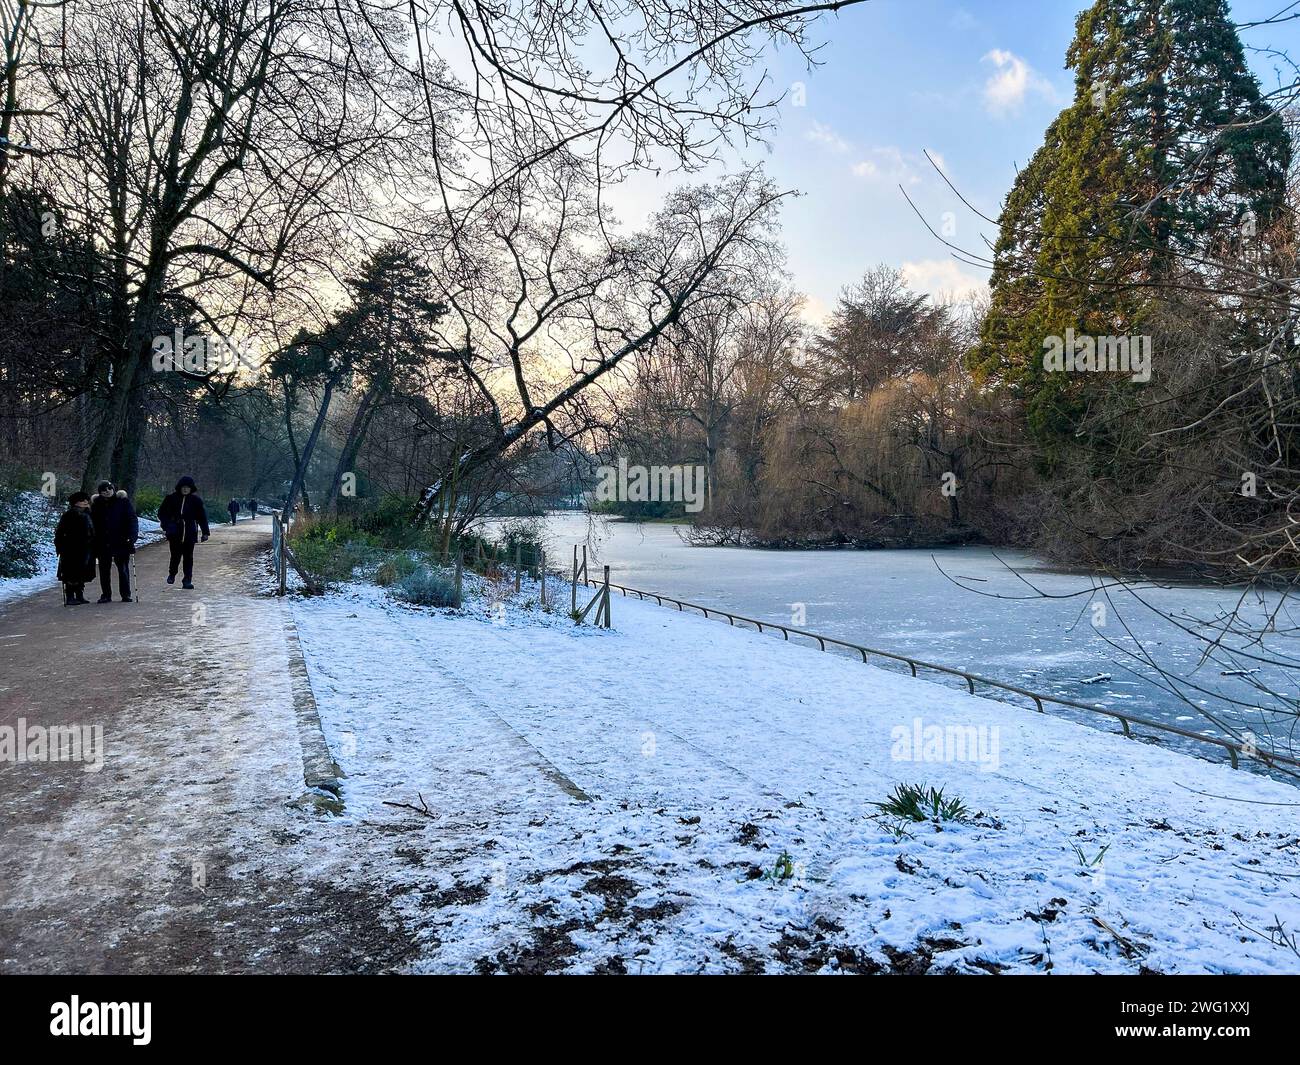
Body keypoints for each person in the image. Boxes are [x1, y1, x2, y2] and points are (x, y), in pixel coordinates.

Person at [90, 480, 138, 603]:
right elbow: (92, 524)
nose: (107, 492)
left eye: (109, 489)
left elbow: (132, 520)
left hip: (121, 540)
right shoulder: (96, 505)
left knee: (123, 569)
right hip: (102, 542)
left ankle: (126, 594)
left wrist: (132, 537)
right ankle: (106, 594)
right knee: (104, 570)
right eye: (103, 490)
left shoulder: (123, 502)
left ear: (113, 489)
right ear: (100, 492)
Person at [158, 475, 210, 589]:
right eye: (183, 487)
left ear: (191, 488)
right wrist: (167, 525)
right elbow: (162, 513)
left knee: (188, 557)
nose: (185, 489)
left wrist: (205, 532)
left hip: (189, 532)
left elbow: (202, 517)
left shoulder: (196, 501)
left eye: (188, 487)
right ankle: (172, 573)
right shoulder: (171, 498)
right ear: (180, 487)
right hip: (175, 532)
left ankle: (187, 580)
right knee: (175, 555)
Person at [54, 493, 96, 606]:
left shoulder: (88, 513)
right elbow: (60, 532)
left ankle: (79, 594)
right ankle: (70, 596)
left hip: (86, 547)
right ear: (75, 503)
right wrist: (60, 547)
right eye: (82, 500)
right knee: (71, 572)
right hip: (71, 548)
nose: (86, 502)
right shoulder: (69, 515)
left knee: (82, 572)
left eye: (86, 500)